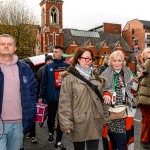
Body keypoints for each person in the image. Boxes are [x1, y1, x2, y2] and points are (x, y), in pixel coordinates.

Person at [58, 47, 109, 150]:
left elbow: (101, 99)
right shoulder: (69, 78)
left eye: (90, 59)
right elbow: (65, 102)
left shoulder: (96, 77)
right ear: (78, 59)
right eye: (85, 58)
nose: (88, 61)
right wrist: (66, 123)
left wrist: (105, 117)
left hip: (95, 119)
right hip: (79, 121)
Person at [0, 34, 37, 150]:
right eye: (2, 44)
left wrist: (31, 111)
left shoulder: (24, 68)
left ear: (15, 48)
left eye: (10, 44)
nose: (6, 46)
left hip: (19, 123)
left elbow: (32, 90)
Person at [100, 50, 142, 150]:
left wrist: (137, 79)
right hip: (110, 112)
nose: (117, 63)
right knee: (111, 140)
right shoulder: (105, 74)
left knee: (123, 141)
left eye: (119, 60)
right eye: (114, 61)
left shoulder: (127, 72)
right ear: (110, 62)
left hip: (125, 112)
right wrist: (106, 94)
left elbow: (133, 90)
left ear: (123, 61)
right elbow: (101, 89)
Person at [38, 46, 69, 150]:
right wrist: (41, 96)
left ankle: (58, 142)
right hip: (51, 98)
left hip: (64, 99)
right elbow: (43, 83)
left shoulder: (68, 66)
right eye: (53, 52)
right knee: (51, 119)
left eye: (56, 52)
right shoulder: (48, 66)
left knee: (61, 120)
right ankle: (51, 133)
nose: (53, 54)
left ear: (62, 53)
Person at [136, 48, 150, 149]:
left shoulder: (144, 65)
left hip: (145, 96)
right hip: (145, 97)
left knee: (147, 119)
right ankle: (144, 139)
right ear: (144, 55)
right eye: (149, 52)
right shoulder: (147, 62)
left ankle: (146, 138)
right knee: (147, 119)